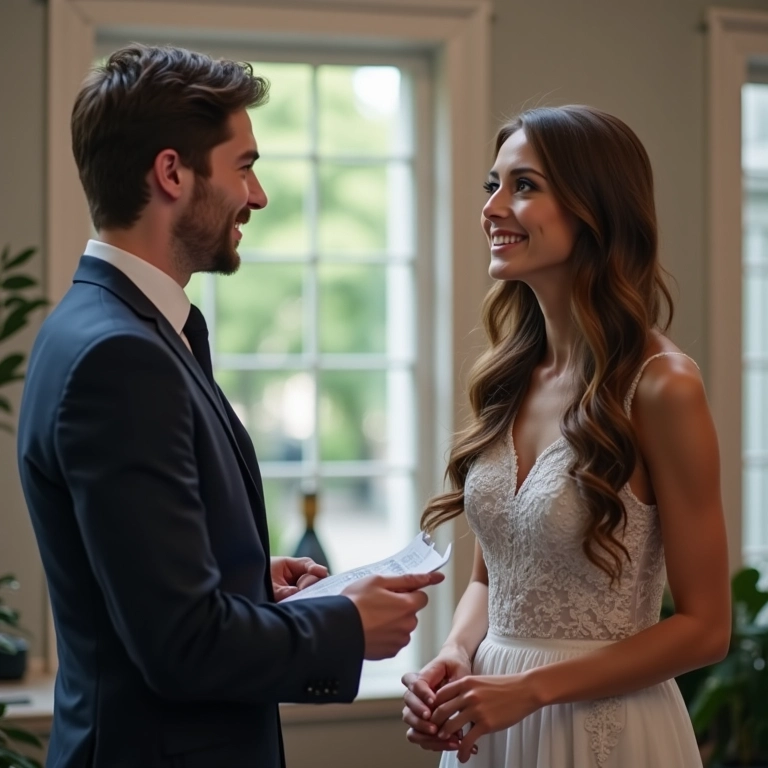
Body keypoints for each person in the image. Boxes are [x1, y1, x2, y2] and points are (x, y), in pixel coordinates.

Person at [16, 44, 442, 768]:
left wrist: (245, 580)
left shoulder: (96, 325)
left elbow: (137, 585)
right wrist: (345, 626)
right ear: (172, 173)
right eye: (243, 166)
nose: (258, 195)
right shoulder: (120, 358)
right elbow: (181, 646)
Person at [400, 105, 731, 767]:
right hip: (492, 721)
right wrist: (456, 652)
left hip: (605, 727)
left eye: (524, 185)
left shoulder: (662, 386)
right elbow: (492, 580)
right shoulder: (508, 379)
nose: (492, 207)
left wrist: (532, 689)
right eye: (492, 185)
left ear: (595, 210)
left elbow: (706, 629)